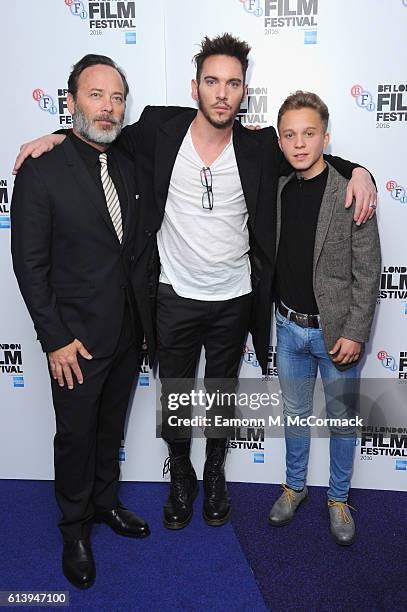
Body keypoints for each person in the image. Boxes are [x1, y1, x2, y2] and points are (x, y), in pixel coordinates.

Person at [12, 34, 377, 533]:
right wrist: (56, 134)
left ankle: (215, 472)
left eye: (232, 83)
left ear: (244, 92)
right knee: (177, 396)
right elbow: (95, 133)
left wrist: (360, 172)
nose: (222, 93)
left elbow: (309, 159)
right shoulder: (158, 128)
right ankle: (181, 473)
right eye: (212, 82)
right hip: (172, 296)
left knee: (221, 394)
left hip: (234, 299)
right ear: (195, 87)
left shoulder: (259, 146)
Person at [11, 54, 158, 589]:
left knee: (108, 429)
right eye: (96, 95)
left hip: (125, 334)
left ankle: (104, 504)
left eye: (117, 97)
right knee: (75, 435)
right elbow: (29, 265)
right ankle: (73, 528)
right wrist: (55, 340)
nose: (109, 107)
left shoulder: (127, 161)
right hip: (73, 341)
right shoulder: (42, 171)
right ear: (70, 101)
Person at [268, 91, 381, 545]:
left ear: (326, 138)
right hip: (287, 326)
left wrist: (356, 331)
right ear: (280, 141)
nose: (299, 143)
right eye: (290, 135)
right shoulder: (275, 185)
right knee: (294, 416)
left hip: (337, 335)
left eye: (309, 133)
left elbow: (368, 268)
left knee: (341, 418)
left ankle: (338, 498)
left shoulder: (351, 191)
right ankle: (294, 488)